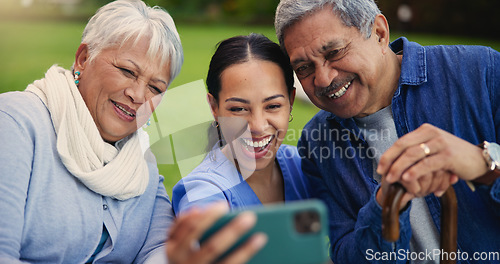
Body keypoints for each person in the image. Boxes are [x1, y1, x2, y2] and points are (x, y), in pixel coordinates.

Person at [0, 1, 266, 263]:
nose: (138, 95)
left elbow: (162, 250)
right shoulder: (15, 123)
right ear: (83, 58)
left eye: (155, 88)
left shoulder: (142, 164)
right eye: (127, 71)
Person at [275, 0, 500, 263]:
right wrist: (385, 204)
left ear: (379, 33)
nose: (322, 79)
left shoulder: (482, 72)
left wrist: (484, 164)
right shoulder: (317, 143)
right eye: (304, 68)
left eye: (334, 52)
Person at [172, 34, 310, 214]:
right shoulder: (204, 192)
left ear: (291, 101)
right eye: (238, 109)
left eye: (273, 106)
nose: (258, 126)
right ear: (214, 107)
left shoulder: (304, 167)